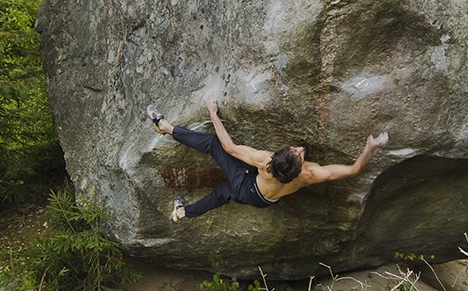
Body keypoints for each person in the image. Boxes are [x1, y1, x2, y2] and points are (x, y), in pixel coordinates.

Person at [147, 91, 389, 222]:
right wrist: (371, 148)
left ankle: (166, 128)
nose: (301, 150)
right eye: (296, 150)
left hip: (249, 187)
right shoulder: (310, 175)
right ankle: (182, 213)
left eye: (300, 154)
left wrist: (213, 113)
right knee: (222, 193)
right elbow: (355, 169)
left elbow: (229, 147)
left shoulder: (265, 162)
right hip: (265, 200)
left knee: (213, 146)